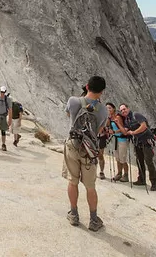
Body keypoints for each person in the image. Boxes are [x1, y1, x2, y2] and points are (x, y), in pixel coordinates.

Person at [63, 76, 108, 231]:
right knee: (90, 186)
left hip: (72, 145)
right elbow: (99, 130)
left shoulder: (73, 101)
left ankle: (74, 215)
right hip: (89, 151)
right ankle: (94, 220)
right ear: (102, 92)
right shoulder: (103, 110)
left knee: (72, 181)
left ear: (87, 86)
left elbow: (69, 116)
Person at [120, 104, 156, 191]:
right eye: (121, 110)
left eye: (124, 109)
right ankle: (141, 179)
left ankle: (154, 182)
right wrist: (117, 124)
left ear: (128, 108)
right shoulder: (127, 120)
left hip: (146, 141)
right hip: (138, 142)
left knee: (148, 161)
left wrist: (133, 132)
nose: (123, 111)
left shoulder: (136, 115)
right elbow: (125, 131)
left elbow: (144, 126)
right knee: (139, 161)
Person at [106, 102, 129, 182]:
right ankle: (119, 173)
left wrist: (115, 132)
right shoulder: (110, 118)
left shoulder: (118, 117)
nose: (108, 110)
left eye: (110, 108)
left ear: (114, 109)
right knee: (118, 158)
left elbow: (123, 129)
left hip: (122, 140)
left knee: (123, 159)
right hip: (116, 140)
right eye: (107, 108)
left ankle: (126, 175)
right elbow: (107, 126)